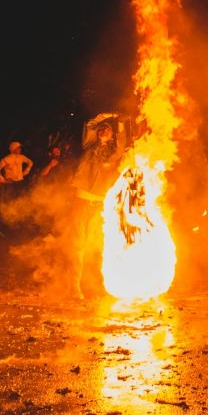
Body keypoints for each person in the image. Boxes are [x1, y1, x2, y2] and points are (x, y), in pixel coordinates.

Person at [68, 117, 124, 299]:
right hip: (81, 200)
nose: (103, 130)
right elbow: (90, 124)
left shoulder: (114, 152)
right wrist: (109, 116)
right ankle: (74, 286)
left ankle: (96, 284)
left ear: (112, 134)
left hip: (100, 203)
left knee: (97, 244)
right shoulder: (88, 145)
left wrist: (119, 123)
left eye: (107, 129)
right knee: (78, 244)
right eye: (101, 129)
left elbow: (121, 145)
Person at [0, 141, 34, 208]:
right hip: (10, 183)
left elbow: (30, 162)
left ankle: (17, 214)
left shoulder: (21, 157)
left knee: (19, 199)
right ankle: (7, 214)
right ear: (13, 149)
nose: (20, 149)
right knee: (9, 200)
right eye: (18, 148)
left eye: (20, 148)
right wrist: (3, 180)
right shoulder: (6, 159)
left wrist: (26, 172)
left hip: (20, 182)